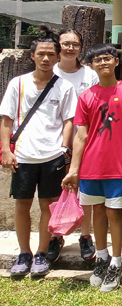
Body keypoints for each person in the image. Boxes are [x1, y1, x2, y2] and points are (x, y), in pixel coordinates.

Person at [60, 43, 122, 292]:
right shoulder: (86, 96)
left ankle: (117, 262)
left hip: (119, 166)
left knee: (114, 213)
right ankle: (102, 256)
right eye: (98, 60)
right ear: (91, 65)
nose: (103, 63)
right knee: (96, 213)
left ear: (117, 62)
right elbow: (80, 136)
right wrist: (74, 169)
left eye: (108, 58)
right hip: (90, 167)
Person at [1, 35, 77, 277]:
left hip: (52, 155)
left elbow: (68, 120)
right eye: (41, 54)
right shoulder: (18, 83)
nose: (46, 58)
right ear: (32, 55)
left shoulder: (64, 86)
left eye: (51, 54)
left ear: (58, 57)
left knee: (48, 206)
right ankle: (24, 253)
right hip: (22, 155)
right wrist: (6, 149)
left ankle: (42, 253)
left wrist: (65, 148)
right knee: (22, 205)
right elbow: (7, 119)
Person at [47, 27, 101, 263]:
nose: (70, 48)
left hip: (86, 141)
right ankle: (55, 235)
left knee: (85, 190)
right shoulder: (49, 72)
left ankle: (86, 236)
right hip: (53, 141)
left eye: (75, 44)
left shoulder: (90, 75)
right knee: (53, 190)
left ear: (81, 47)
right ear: (58, 46)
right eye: (65, 43)